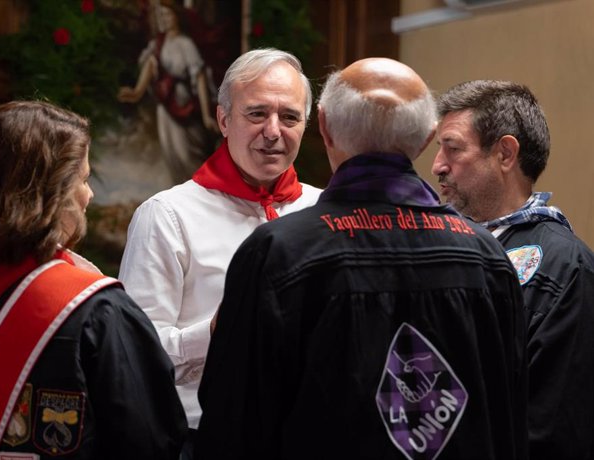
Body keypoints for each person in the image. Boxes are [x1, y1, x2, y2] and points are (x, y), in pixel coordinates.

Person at [194, 58, 528, 459]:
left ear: (323, 126)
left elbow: (232, 424)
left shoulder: (279, 251)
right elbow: (508, 418)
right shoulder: (486, 255)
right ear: (426, 138)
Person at [0, 100, 187, 460]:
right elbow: (153, 443)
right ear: (48, 193)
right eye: (83, 179)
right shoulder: (97, 311)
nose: (89, 195)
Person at [118, 47, 322, 457]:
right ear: (224, 119)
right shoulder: (167, 216)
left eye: (289, 117)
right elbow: (133, 356)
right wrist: (213, 333)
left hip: (307, 437)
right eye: (257, 114)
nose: (273, 131)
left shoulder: (326, 211)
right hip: (200, 438)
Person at [431, 79, 594, 459]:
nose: (438, 165)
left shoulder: (567, 268)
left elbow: (556, 429)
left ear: (505, 153)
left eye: (453, 148)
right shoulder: (437, 246)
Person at [118, 0, 218, 184]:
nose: (164, 19)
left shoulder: (185, 43)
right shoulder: (159, 43)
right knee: (171, 153)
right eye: (161, 15)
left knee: (187, 154)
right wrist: (136, 92)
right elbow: (151, 65)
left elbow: (200, 77)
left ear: (176, 17)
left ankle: (200, 194)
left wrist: (206, 115)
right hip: (165, 106)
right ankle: (180, 197)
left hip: (184, 103)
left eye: (167, 15)